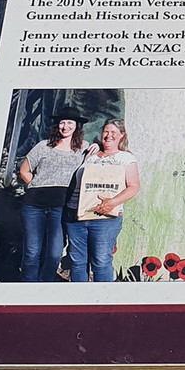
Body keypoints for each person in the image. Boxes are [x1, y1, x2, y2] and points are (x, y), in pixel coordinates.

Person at [64, 120, 140, 282]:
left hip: (106, 218)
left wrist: (111, 203)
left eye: (114, 132)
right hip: (76, 215)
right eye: (106, 131)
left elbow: (133, 186)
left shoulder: (126, 158)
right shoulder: (90, 155)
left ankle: (103, 302)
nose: (109, 135)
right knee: (77, 262)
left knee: (101, 261)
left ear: (122, 135)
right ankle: (80, 302)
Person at [18, 116, 87, 282]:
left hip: (60, 207)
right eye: (62, 122)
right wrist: (36, 185)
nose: (65, 126)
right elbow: (24, 170)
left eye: (70, 123)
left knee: (55, 252)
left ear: (77, 126)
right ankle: (28, 286)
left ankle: (45, 283)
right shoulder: (44, 146)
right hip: (34, 206)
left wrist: (95, 146)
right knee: (32, 251)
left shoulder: (83, 148)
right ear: (57, 125)